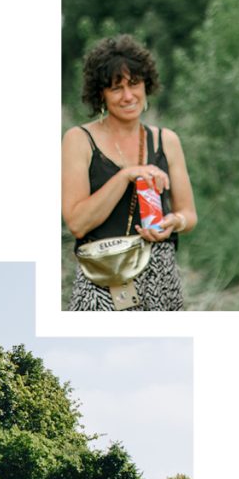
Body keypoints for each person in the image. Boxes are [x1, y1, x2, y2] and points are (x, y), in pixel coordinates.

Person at [62, 34, 197, 310]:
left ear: (147, 84)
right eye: (116, 88)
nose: (128, 96)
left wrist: (175, 222)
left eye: (134, 84)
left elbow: (189, 215)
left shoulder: (166, 140)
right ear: (100, 93)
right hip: (102, 277)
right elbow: (77, 223)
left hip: (160, 275)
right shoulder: (78, 139)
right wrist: (126, 176)